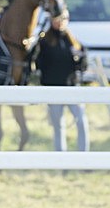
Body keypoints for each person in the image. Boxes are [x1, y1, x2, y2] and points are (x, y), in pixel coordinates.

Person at [35, 12, 90, 151]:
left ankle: (84, 157)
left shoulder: (73, 40)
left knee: (81, 121)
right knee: (58, 126)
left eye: (63, 19)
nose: (60, 22)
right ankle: (61, 159)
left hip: (72, 88)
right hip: (53, 89)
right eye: (56, 19)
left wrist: (81, 58)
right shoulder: (44, 41)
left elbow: (83, 66)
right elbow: (39, 64)